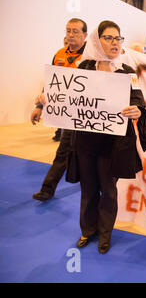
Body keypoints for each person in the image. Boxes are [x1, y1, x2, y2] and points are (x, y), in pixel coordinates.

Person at [64, 20, 146, 254]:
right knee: (88, 189)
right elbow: (68, 96)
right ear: (97, 41)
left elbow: (138, 100)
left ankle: (105, 234)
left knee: (108, 190)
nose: (115, 43)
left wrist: (137, 110)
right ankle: (88, 230)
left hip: (114, 144)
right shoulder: (85, 68)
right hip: (86, 141)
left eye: (118, 38)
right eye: (109, 38)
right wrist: (46, 100)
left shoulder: (127, 72)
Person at [31, 18, 88, 202]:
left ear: (85, 35)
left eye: (75, 31)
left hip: (89, 115)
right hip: (68, 117)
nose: (70, 35)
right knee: (63, 151)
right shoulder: (59, 55)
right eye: (68, 30)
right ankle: (47, 189)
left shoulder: (92, 56)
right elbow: (51, 83)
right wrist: (39, 106)